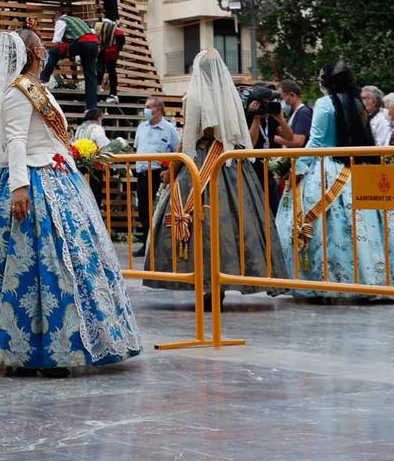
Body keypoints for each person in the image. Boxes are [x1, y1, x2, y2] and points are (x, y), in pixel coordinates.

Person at [0, 27, 141, 375]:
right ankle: (31, 352)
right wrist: (19, 186)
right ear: (34, 53)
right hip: (34, 182)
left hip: (56, 177)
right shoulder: (20, 91)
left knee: (57, 269)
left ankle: (53, 347)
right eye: (43, 45)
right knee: (34, 269)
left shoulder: (39, 89)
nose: (50, 49)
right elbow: (16, 140)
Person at [272, 61, 394, 298]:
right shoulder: (357, 103)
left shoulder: (324, 103)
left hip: (327, 168)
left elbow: (318, 141)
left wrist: (298, 166)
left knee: (325, 227)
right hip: (358, 168)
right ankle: (376, 278)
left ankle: (327, 281)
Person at [149, 50, 284, 299]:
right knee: (238, 219)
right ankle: (233, 275)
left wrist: (174, 169)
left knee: (201, 220)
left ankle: (203, 281)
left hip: (201, 159)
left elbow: (188, 139)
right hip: (230, 161)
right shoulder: (230, 96)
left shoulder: (194, 97)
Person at [131, 96, 180, 254]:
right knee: (144, 211)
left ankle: (160, 246)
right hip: (142, 174)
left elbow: (177, 152)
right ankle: (147, 244)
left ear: (157, 109)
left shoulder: (169, 129)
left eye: (147, 107)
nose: (145, 110)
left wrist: (169, 170)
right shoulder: (141, 128)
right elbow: (136, 148)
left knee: (159, 209)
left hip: (159, 174)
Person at [40, 12, 101, 117]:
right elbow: (90, 32)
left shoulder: (61, 20)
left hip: (82, 44)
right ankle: (91, 107)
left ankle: (43, 80)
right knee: (90, 76)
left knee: (54, 52)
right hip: (94, 43)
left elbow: (57, 40)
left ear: (55, 19)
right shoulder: (78, 20)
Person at [94, 17, 126, 103]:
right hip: (113, 42)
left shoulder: (97, 28)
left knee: (110, 68)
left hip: (112, 44)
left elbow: (98, 40)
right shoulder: (109, 27)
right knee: (103, 64)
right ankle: (99, 86)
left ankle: (113, 94)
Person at [282, 79, 311, 146]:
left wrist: (274, 138)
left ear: (292, 95)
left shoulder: (303, 113)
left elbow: (298, 142)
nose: (283, 100)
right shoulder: (292, 112)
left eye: (283, 96)